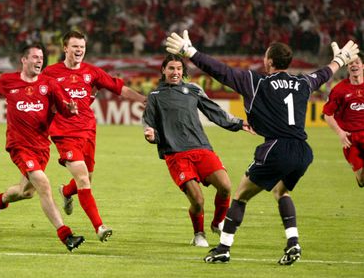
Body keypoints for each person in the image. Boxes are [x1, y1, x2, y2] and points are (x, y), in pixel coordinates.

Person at [165, 30, 359, 265]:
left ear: (268, 61)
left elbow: (222, 71)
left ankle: (224, 248)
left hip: (276, 147)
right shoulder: (303, 82)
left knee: (240, 196)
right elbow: (324, 74)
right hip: (303, 151)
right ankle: (293, 242)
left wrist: (191, 53)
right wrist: (340, 59)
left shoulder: (256, 83)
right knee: (280, 191)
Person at [0, 44, 85, 252]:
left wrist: (72, 110)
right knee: (43, 184)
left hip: (41, 146)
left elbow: (65, 109)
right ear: (23, 60)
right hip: (19, 145)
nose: (39, 61)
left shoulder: (49, 84)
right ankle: (65, 234)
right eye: (35, 57)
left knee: (26, 192)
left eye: (41, 58)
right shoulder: (7, 80)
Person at [43, 30, 146, 242]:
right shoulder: (50, 73)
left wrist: (142, 99)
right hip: (63, 132)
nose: (79, 50)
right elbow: (36, 92)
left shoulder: (92, 72)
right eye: (74, 46)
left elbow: (119, 88)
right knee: (82, 178)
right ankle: (99, 227)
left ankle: (65, 192)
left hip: (88, 130)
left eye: (81, 47)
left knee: (86, 178)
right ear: (65, 48)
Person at [143, 54, 253, 247]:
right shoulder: (155, 97)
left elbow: (214, 111)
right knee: (198, 200)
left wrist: (238, 123)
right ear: (163, 70)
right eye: (171, 68)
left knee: (226, 187)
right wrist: (152, 135)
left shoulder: (193, 90)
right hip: (176, 154)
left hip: (201, 148)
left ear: (183, 71)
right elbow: (150, 125)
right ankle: (199, 234)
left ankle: (218, 222)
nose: (175, 72)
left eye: (178, 69)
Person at [323, 52, 364, 188]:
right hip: (350, 139)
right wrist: (340, 133)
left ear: (362, 66)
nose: (354, 65)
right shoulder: (340, 90)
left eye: (357, 62)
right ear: (347, 67)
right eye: (350, 63)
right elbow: (327, 114)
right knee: (362, 178)